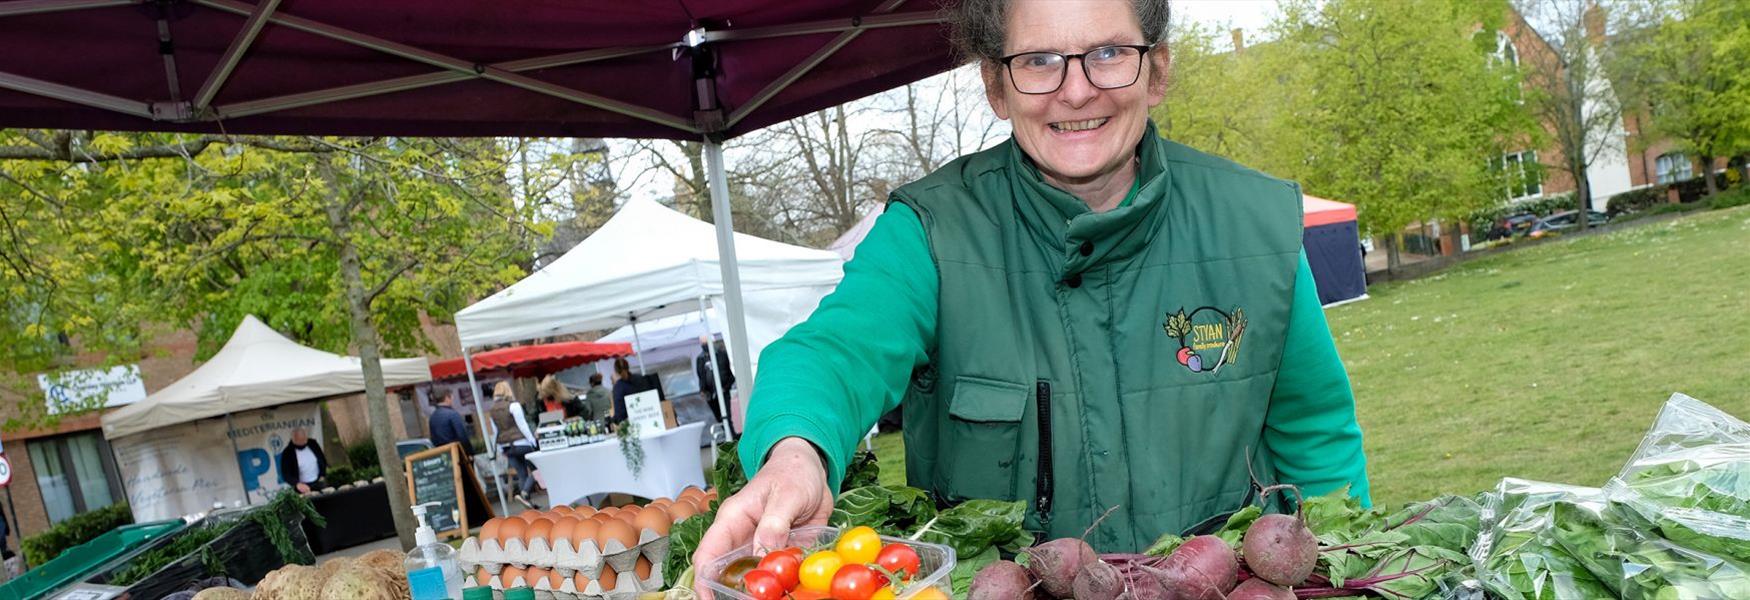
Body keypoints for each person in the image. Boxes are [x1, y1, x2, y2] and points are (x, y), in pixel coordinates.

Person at [693, 0, 1371, 580]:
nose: (1075, 91)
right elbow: (832, 352)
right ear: (997, 85)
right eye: (1039, 61)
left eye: (1108, 52)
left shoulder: (1251, 225)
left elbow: (1316, 438)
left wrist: (1345, 567)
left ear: (1157, 70)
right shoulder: (932, 232)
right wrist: (794, 455)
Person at [488, 382, 543, 509]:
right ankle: (524, 493)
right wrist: (532, 441)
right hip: (522, 443)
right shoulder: (514, 406)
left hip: (507, 447)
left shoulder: (492, 411)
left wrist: (499, 448)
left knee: (522, 473)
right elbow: (522, 425)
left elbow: (495, 432)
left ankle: (527, 503)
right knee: (537, 469)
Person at [694, 335, 736, 424]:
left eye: (706, 343)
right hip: (710, 394)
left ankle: (733, 435)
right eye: (703, 343)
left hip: (723, 391)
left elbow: (730, 373)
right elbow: (701, 376)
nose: (704, 345)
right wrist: (702, 389)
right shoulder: (701, 359)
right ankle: (728, 434)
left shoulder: (722, 355)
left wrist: (725, 387)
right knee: (719, 418)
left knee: (726, 417)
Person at [277, 427, 328, 494]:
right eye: (299, 441)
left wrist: (323, 474)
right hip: (303, 487)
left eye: (304, 440)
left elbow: (322, 459)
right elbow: (286, 474)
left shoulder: (313, 444)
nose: (302, 443)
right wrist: (297, 484)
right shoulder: (287, 453)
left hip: (319, 482)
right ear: (293, 440)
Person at [427, 391, 475, 455]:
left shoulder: (432, 417)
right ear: (447, 398)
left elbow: (433, 439)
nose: (452, 400)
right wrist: (470, 452)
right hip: (457, 453)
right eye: (451, 397)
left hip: (443, 455)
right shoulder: (452, 414)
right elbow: (462, 435)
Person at [608, 357, 636, 427]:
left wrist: (614, 420)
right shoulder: (639, 379)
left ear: (616, 371)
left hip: (629, 424)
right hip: (646, 417)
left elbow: (619, 410)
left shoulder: (618, 387)